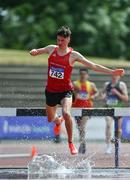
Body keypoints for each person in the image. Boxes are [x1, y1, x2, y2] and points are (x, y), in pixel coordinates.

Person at [30, 26, 125, 155]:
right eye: (58, 40)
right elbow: (38, 51)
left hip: (66, 91)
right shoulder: (51, 49)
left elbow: (94, 66)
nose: (59, 43)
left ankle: (70, 143)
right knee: (51, 118)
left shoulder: (73, 55)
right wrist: (34, 51)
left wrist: (112, 72)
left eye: (62, 40)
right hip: (51, 91)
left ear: (68, 39)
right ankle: (58, 121)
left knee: (66, 113)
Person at [73, 68, 99, 154]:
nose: (83, 75)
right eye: (81, 74)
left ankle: (82, 144)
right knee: (80, 128)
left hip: (87, 108)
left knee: (82, 126)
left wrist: (93, 96)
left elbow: (96, 92)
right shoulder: (75, 84)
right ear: (79, 75)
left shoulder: (91, 84)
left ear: (87, 75)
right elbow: (70, 93)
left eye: (84, 74)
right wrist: (74, 93)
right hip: (76, 108)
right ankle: (82, 143)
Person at [101, 75, 128, 154]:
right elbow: (102, 95)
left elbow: (126, 99)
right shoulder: (107, 85)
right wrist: (103, 97)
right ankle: (108, 146)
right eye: (113, 75)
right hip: (109, 109)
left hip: (119, 109)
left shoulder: (121, 85)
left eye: (116, 76)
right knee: (108, 125)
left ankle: (117, 143)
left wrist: (117, 93)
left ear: (119, 77)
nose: (114, 77)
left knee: (118, 129)